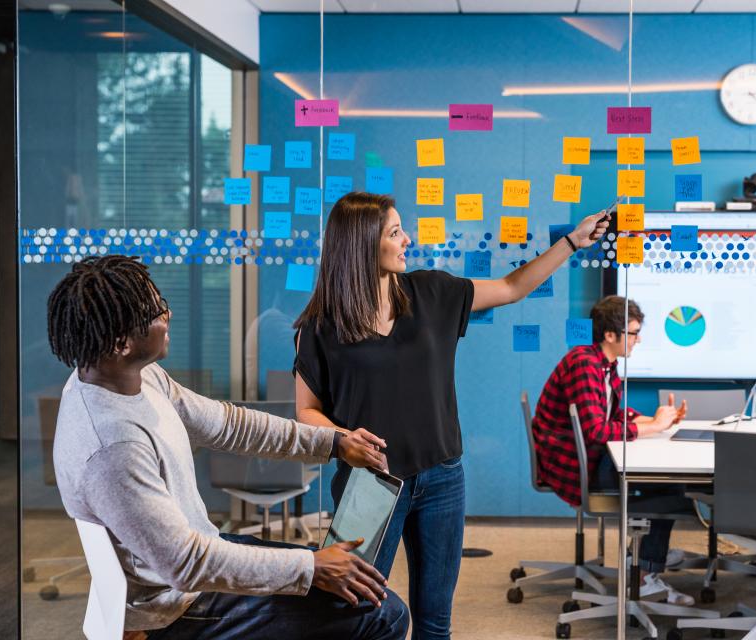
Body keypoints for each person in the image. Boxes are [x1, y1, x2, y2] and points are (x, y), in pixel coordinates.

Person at [293, 192, 610, 638]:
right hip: (368, 484)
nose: (408, 239)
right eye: (395, 232)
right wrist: (343, 437)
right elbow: (306, 410)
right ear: (364, 244)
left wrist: (572, 242)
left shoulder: (432, 292)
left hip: (441, 478)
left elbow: (513, 287)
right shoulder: (322, 324)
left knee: (435, 622)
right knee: (350, 616)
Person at [47, 255, 408, 640]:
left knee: (353, 588)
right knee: (382, 615)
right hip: (176, 608)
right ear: (120, 342)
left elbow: (227, 424)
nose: (167, 313)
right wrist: (311, 567)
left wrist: (333, 442)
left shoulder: (131, 375)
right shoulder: (112, 447)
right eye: (154, 312)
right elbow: (185, 564)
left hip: (194, 560)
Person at [532, 295, 696, 606]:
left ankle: (647, 556)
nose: (638, 339)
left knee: (672, 482)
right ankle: (646, 571)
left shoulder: (604, 364)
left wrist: (657, 419)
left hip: (592, 459)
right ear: (610, 335)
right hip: (576, 467)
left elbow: (612, 414)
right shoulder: (584, 364)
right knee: (671, 492)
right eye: (633, 333)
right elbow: (596, 430)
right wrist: (654, 428)